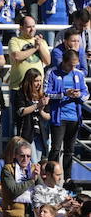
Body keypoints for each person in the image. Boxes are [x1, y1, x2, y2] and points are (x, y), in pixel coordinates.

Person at [45, 49, 88, 181]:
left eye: (75, 65)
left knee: (70, 150)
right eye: (71, 65)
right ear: (64, 62)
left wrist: (78, 95)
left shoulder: (78, 74)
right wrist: (64, 94)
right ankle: (51, 176)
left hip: (74, 117)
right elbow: (46, 92)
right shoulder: (52, 72)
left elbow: (86, 93)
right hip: (59, 117)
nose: (73, 68)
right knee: (56, 148)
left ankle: (67, 179)